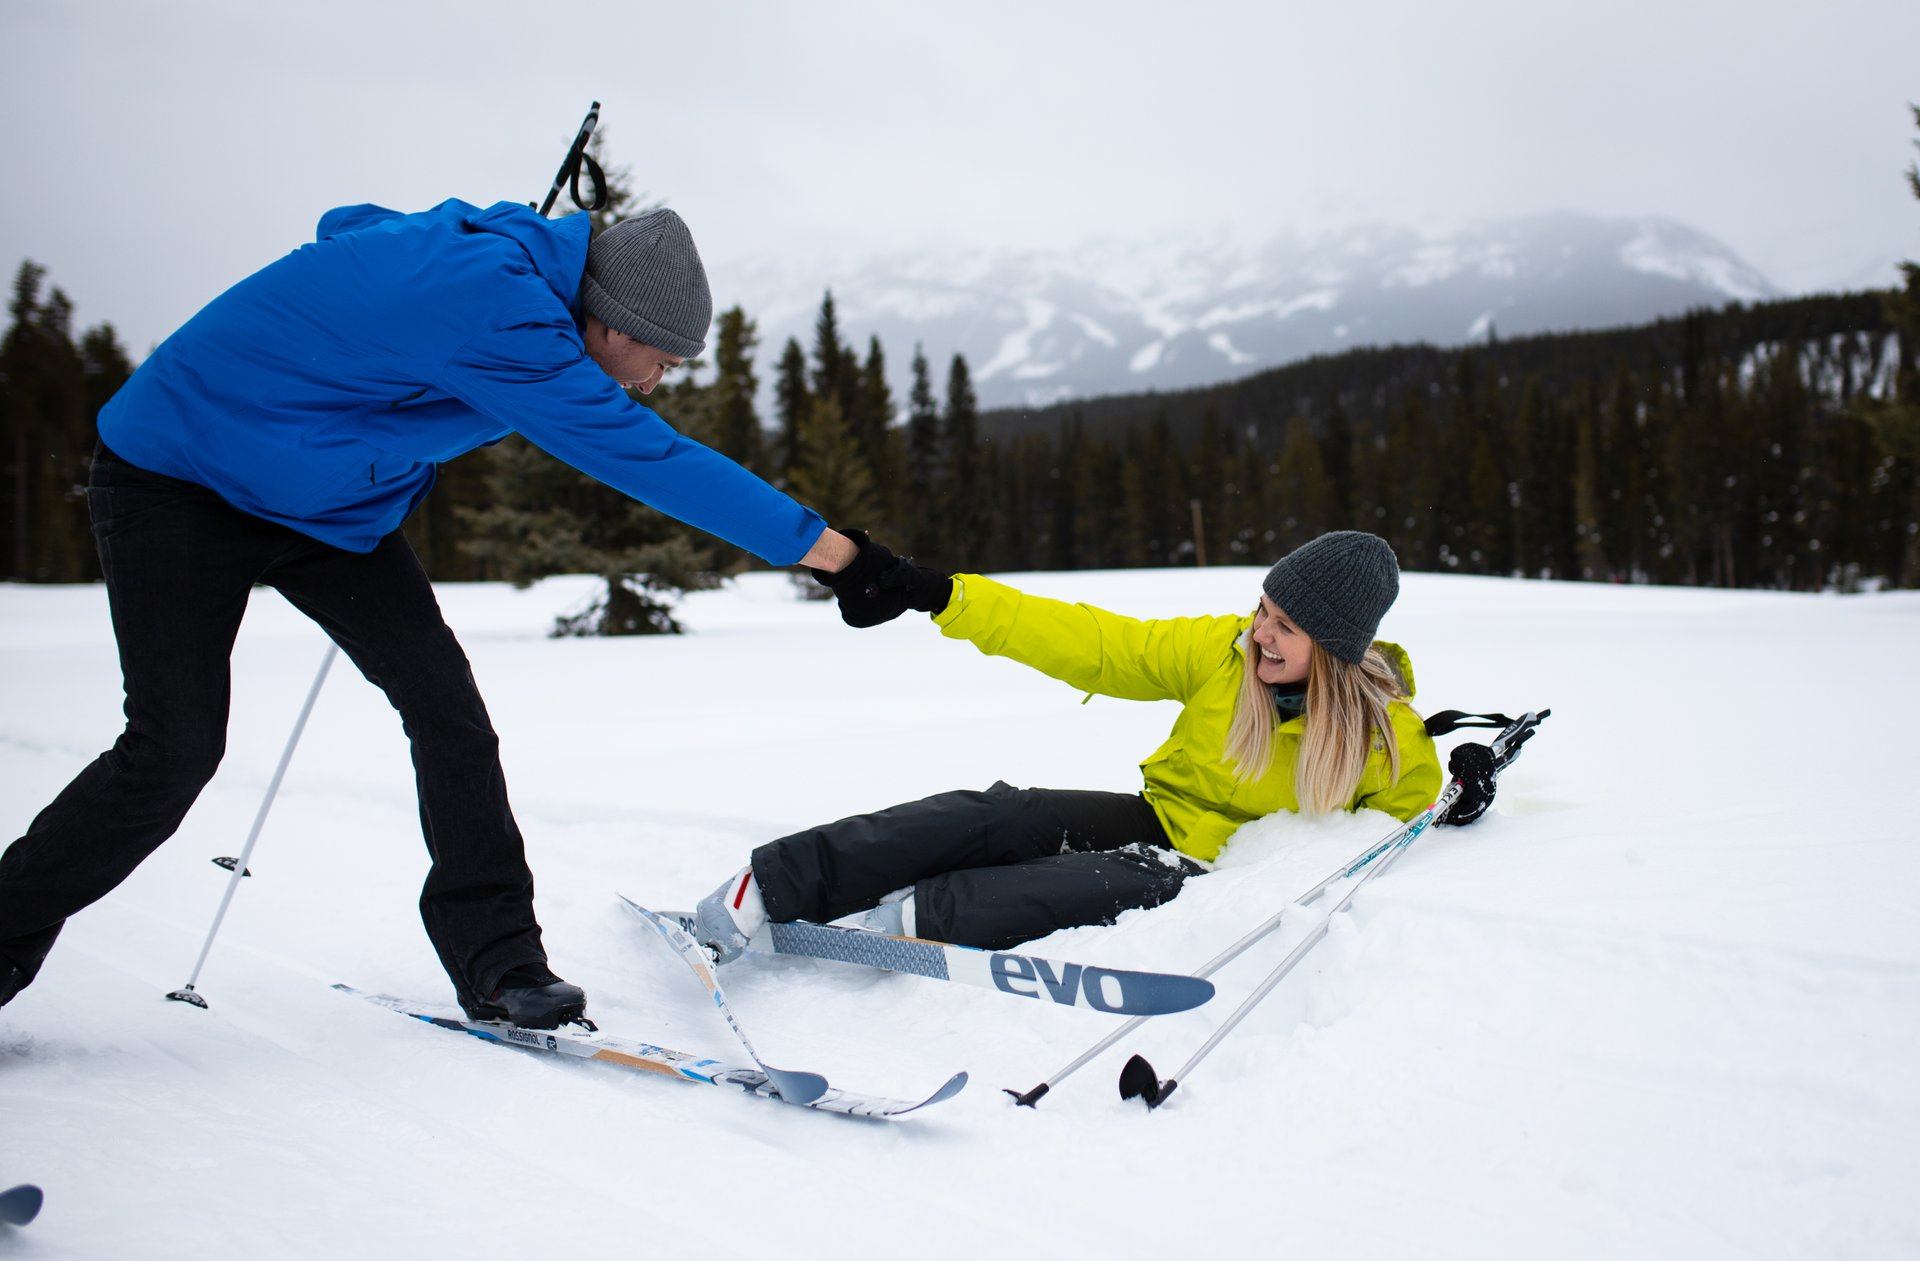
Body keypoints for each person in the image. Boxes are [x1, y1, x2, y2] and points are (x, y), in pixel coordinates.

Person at [0, 198, 913, 1029]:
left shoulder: (501, 274)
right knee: (173, 750)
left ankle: (499, 963)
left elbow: (345, 223)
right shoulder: (500, 312)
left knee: (452, 716)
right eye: (660, 359)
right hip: (180, 476)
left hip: (326, 508)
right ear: (608, 321)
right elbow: (649, 459)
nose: (658, 381)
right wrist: (835, 555)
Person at [695, 530, 1466, 957]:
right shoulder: (1221, 653)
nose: (1260, 632)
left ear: (1331, 648)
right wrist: (945, 594)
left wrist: (1466, 793)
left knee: (1068, 883)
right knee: (996, 815)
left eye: (1284, 626)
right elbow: (1092, 642)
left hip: (1215, 869)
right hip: (1158, 817)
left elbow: (1407, 821)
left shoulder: (1382, 736)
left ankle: (906, 920)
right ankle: (773, 882)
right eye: (1261, 607)